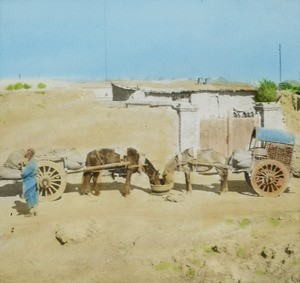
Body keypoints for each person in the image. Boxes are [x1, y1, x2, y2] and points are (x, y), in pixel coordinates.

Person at [21, 148, 39, 216]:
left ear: (30, 155)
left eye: (28, 154)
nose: (27, 155)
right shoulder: (34, 161)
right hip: (34, 180)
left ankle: (31, 212)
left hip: (29, 181)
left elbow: (24, 173)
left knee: (29, 195)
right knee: (34, 195)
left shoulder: (31, 163)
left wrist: (22, 173)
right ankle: (35, 211)